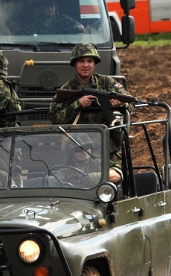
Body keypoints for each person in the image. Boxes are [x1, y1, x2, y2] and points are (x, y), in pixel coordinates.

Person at [49, 43, 133, 184]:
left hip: (106, 150)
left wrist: (120, 104)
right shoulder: (68, 89)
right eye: (81, 61)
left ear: (94, 64)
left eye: (89, 61)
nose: (85, 65)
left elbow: (130, 103)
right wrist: (78, 104)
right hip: (77, 152)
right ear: (75, 64)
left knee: (114, 185)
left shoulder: (106, 83)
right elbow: (55, 119)